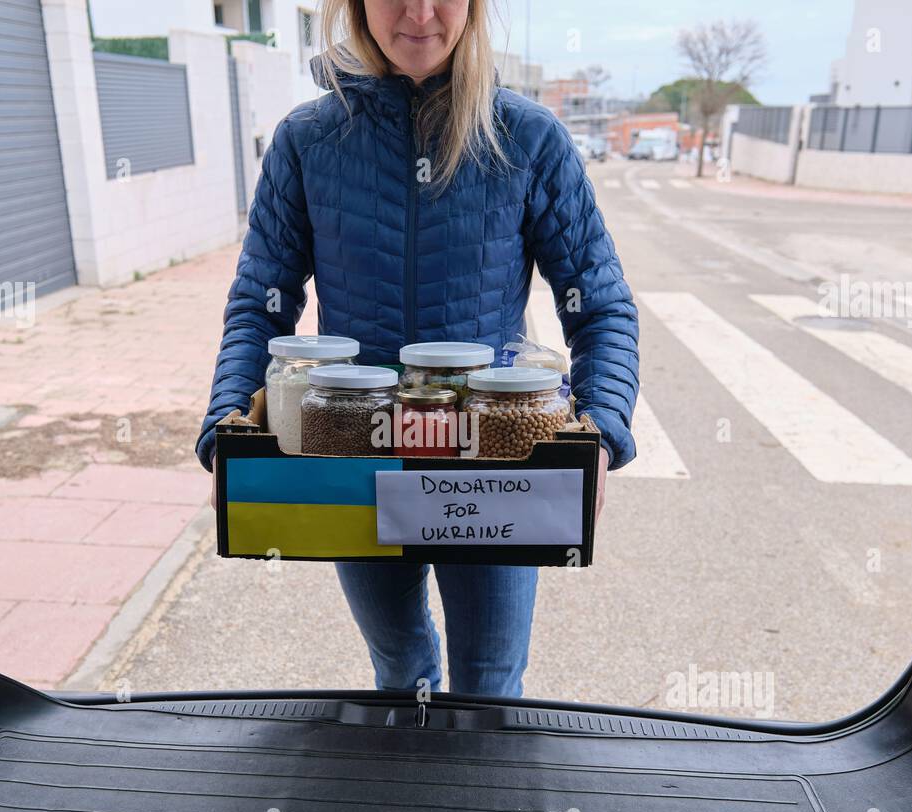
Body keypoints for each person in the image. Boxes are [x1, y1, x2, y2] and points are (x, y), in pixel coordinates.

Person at [196, 0, 640, 698]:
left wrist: (603, 430)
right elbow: (263, 299)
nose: (419, 12)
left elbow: (601, 303)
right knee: (400, 673)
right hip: (354, 451)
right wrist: (227, 422)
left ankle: (476, 807)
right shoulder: (308, 140)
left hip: (492, 462)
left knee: (490, 686)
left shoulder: (526, 137)